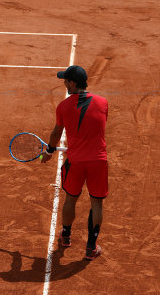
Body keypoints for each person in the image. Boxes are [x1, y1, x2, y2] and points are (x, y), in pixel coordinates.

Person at [41, 65, 108, 260]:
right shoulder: (103, 103)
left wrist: (49, 152)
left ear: (72, 83)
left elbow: (56, 134)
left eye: (65, 80)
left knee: (71, 199)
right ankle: (91, 247)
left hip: (76, 162)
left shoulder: (63, 107)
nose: (63, 83)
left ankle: (66, 236)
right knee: (97, 204)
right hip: (98, 161)